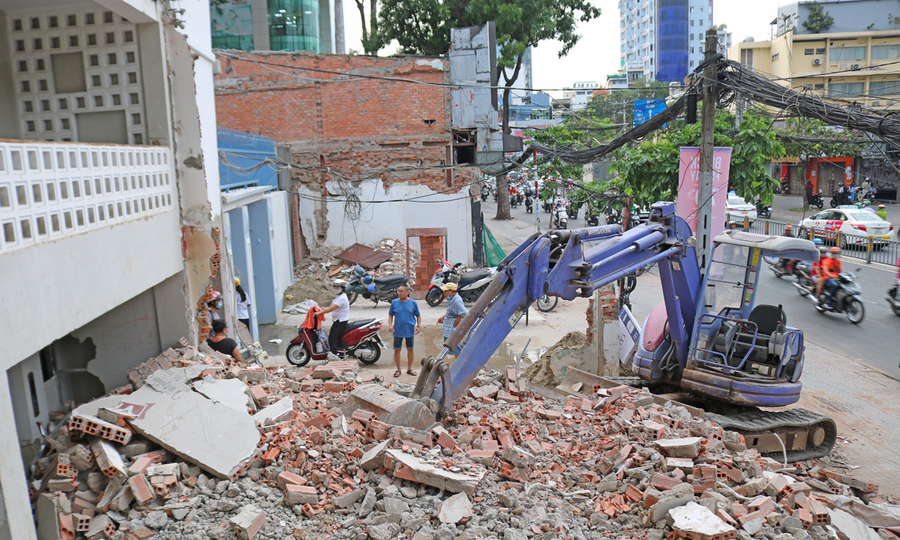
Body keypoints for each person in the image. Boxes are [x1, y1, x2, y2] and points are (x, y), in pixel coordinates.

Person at [388, 285, 421, 378]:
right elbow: (390, 315)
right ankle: (398, 369)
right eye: (399, 291)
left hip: (409, 331)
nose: (399, 293)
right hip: (397, 330)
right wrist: (390, 325)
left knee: (410, 349)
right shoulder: (394, 302)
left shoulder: (413, 303)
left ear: (407, 292)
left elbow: (418, 315)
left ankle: (409, 369)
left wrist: (418, 326)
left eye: (402, 291)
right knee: (397, 350)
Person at [436, 282, 468, 359]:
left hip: (452, 331)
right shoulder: (453, 299)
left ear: (452, 291)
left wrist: (457, 321)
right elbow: (452, 311)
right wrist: (443, 317)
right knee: (453, 349)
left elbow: (464, 313)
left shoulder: (457, 301)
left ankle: (459, 365)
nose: (444, 293)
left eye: (446, 291)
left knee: (456, 350)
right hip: (449, 331)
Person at [319, 279, 350, 355]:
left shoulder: (342, 298)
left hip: (340, 322)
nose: (336, 288)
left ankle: (335, 356)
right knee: (336, 339)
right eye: (335, 287)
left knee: (331, 340)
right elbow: (333, 307)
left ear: (342, 288)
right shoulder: (339, 296)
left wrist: (319, 313)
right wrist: (323, 309)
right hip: (339, 321)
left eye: (338, 287)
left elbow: (332, 308)